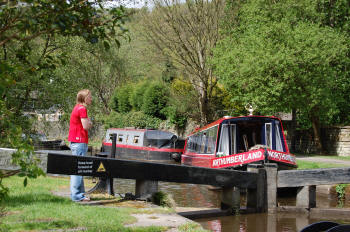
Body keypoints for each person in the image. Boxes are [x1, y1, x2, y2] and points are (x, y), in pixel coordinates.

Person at [68, 89, 93, 202]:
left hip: (75, 141)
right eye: (90, 97)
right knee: (78, 170)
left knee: (78, 168)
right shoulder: (82, 109)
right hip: (80, 141)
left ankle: (80, 194)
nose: (91, 99)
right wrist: (90, 123)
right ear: (85, 98)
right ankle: (77, 196)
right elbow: (86, 126)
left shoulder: (76, 107)